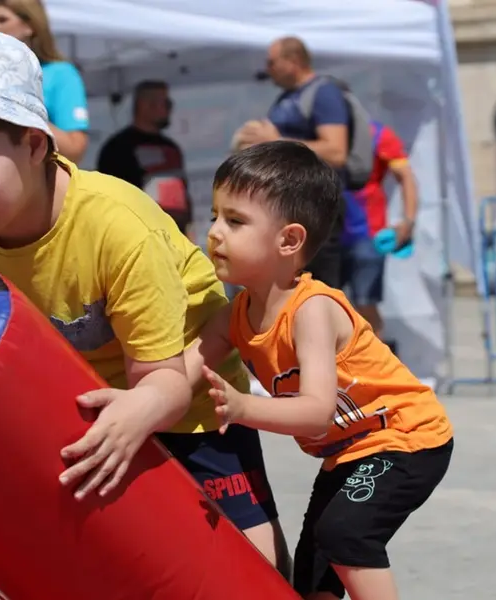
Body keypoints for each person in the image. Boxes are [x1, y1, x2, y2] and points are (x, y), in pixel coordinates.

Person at [0, 31, 288, 575]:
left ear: (34, 144)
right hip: (78, 407)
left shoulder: (116, 225)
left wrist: (134, 419)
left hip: (189, 400)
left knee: (251, 572)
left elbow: (162, 382)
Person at [185, 140, 454, 600]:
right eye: (214, 216)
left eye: (235, 221)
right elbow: (182, 369)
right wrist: (129, 402)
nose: (215, 232)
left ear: (289, 240)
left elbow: (314, 412)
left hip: (408, 439)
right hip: (348, 453)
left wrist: (242, 405)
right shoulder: (234, 315)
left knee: (346, 536)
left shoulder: (313, 309)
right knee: (312, 578)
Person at [231, 36, 350, 288]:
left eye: (272, 62)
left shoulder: (324, 92)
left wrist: (278, 140)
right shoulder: (287, 98)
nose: (267, 69)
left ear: (293, 61)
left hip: (316, 206)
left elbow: (336, 151)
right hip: (286, 205)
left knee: (318, 289)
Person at [340, 120, 419, 341]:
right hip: (323, 236)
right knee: (316, 305)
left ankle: (375, 369)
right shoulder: (312, 132)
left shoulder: (376, 133)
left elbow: (406, 176)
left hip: (367, 235)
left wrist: (408, 222)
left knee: (366, 304)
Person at [0, 0, 89, 163]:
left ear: (30, 26)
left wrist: (23, 109)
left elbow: (75, 150)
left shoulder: (61, 74)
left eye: (2, 20)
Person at [97, 80, 193, 237]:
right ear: (146, 105)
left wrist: (189, 228)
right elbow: (111, 198)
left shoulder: (172, 147)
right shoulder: (117, 148)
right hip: (141, 237)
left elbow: (184, 194)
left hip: (176, 236)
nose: (169, 110)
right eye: (166, 103)